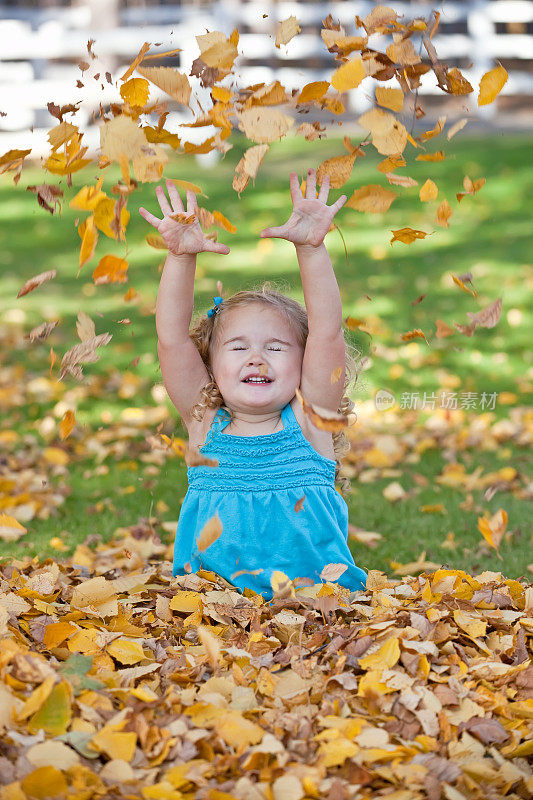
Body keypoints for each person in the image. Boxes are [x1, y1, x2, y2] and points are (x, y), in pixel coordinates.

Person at [139, 169, 368, 600]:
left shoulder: (312, 420)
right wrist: (180, 257)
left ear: (303, 365)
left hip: (316, 610)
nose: (257, 358)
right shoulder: (204, 422)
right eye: (238, 347)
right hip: (213, 612)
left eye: (277, 348)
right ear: (209, 361)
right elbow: (170, 337)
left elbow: (327, 333)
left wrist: (313, 250)